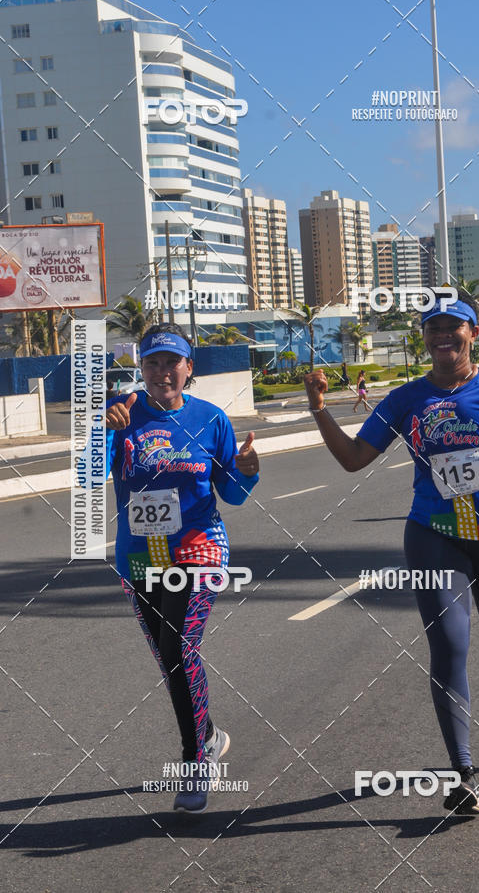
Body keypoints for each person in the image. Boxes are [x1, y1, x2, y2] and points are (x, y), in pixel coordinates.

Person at [303, 293, 479, 816]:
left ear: (473, 333)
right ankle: (460, 772)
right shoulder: (405, 399)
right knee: (450, 647)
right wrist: (319, 409)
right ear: (424, 336)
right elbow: (353, 460)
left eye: (453, 327)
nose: (443, 336)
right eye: (433, 327)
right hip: (434, 533)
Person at [104, 323, 259, 814]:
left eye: (172, 361)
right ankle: (209, 734)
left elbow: (231, 493)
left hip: (199, 549)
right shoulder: (123, 417)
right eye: (152, 362)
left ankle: (196, 760)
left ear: (189, 368)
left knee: (179, 644)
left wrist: (248, 470)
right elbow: (88, 477)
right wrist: (100, 430)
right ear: (142, 369)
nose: (162, 371)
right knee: (170, 660)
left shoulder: (211, 419)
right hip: (140, 557)